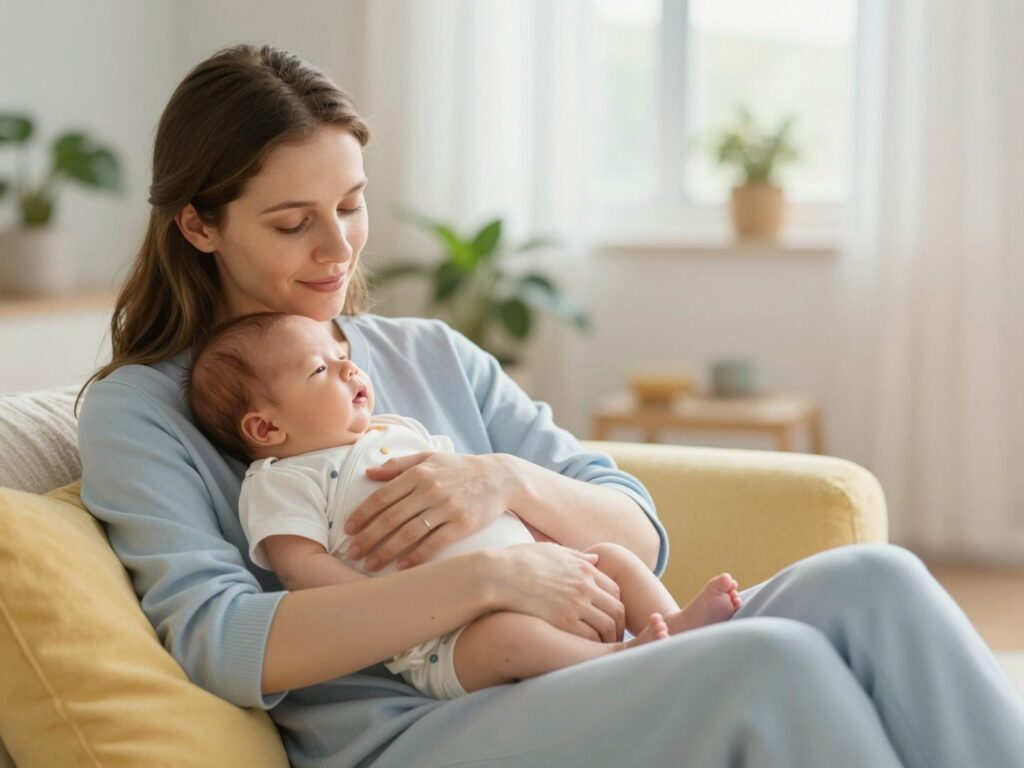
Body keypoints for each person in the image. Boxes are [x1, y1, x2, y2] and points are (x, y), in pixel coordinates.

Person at [76, 43, 1024, 768]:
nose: (338, 249)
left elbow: (638, 531)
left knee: (877, 580)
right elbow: (220, 639)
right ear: (199, 223)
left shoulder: (428, 353)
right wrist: (486, 583)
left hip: (585, 652)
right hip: (420, 725)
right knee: (775, 662)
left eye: (352, 206)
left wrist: (504, 481)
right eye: (293, 223)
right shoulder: (144, 409)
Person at [185, 310, 743, 700]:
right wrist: (390, 598)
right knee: (507, 641)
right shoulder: (282, 479)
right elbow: (301, 568)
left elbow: (488, 510)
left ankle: (676, 626)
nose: (350, 369)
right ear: (265, 425)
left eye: (343, 356)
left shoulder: (395, 428)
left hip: (545, 575)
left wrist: (530, 526)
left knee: (611, 557)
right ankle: (624, 662)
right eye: (319, 370)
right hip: (443, 640)